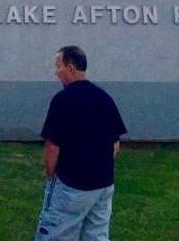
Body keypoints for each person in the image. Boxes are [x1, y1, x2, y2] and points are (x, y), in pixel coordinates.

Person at [34, 46, 127, 241]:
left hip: (70, 184)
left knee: (56, 233)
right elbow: (115, 144)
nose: (55, 72)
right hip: (103, 184)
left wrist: (52, 176)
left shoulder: (62, 100)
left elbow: (53, 147)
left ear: (70, 68)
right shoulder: (105, 98)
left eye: (58, 67)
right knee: (97, 235)